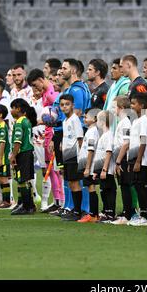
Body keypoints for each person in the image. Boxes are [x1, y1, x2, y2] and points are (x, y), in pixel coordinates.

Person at [27, 68, 63, 212]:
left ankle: (61, 201)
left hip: (53, 134)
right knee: (51, 168)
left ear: (42, 80)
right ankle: (56, 201)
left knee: (56, 169)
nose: (36, 89)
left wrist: (42, 121)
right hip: (47, 135)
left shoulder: (52, 94)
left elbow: (58, 114)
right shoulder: (45, 94)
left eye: (36, 85)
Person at [126, 92, 147, 226]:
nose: (131, 106)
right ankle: (146, 213)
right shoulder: (136, 120)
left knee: (140, 185)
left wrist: (138, 161)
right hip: (133, 157)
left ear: (141, 105)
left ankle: (144, 215)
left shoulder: (143, 121)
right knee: (137, 184)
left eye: (133, 103)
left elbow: (143, 141)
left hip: (139, 159)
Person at [59, 94, 85, 222]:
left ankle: (78, 211)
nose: (65, 107)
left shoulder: (75, 120)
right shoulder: (65, 121)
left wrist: (81, 157)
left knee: (75, 183)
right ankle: (75, 209)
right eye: (62, 105)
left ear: (72, 105)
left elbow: (80, 139)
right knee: (70, 183)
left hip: (74, 156)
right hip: (67, 156)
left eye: (67, 104)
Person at [9, 98, 37, 215]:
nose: (11, 111)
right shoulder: (26, 121)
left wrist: (13, 155)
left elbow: (18, 141)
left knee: (22, 180)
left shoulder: (20, 122)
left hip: (23, 153)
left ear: (18, 109)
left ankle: (26, 206)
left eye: (13, 108)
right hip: (28, 152)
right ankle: (29, 205)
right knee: (25, 180)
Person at [113, 96, 135, 225]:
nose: (113, 110)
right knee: (124, 186)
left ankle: (128, 215)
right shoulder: (122, 122)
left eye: (114, 106)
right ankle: (128, 212)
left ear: (121, 108)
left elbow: (126, 143)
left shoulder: (126, 122)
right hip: (120, 158)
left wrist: (118, 161)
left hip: (124, 159)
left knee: (126, 186)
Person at [92, 110, 117, 223]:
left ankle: (110, 213)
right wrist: (96, 171)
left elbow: (108, 152)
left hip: (107, 170)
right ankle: (106, 212)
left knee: (109, 190)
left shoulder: (108, 135)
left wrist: (104, 169)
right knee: (103, 190)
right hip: (101, 169)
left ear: (102, 122)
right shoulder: (104, 135)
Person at [76, 109, 99, 222]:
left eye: (86, 117)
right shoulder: (90, 130)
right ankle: (93, 213)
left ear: (95, 119)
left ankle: (93, 214)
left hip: (89, 166)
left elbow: (91, 150)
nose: (84, 119)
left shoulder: (93, 131)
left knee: (91, 187)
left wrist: (88, 167)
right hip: (86, 165)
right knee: (90, 187)